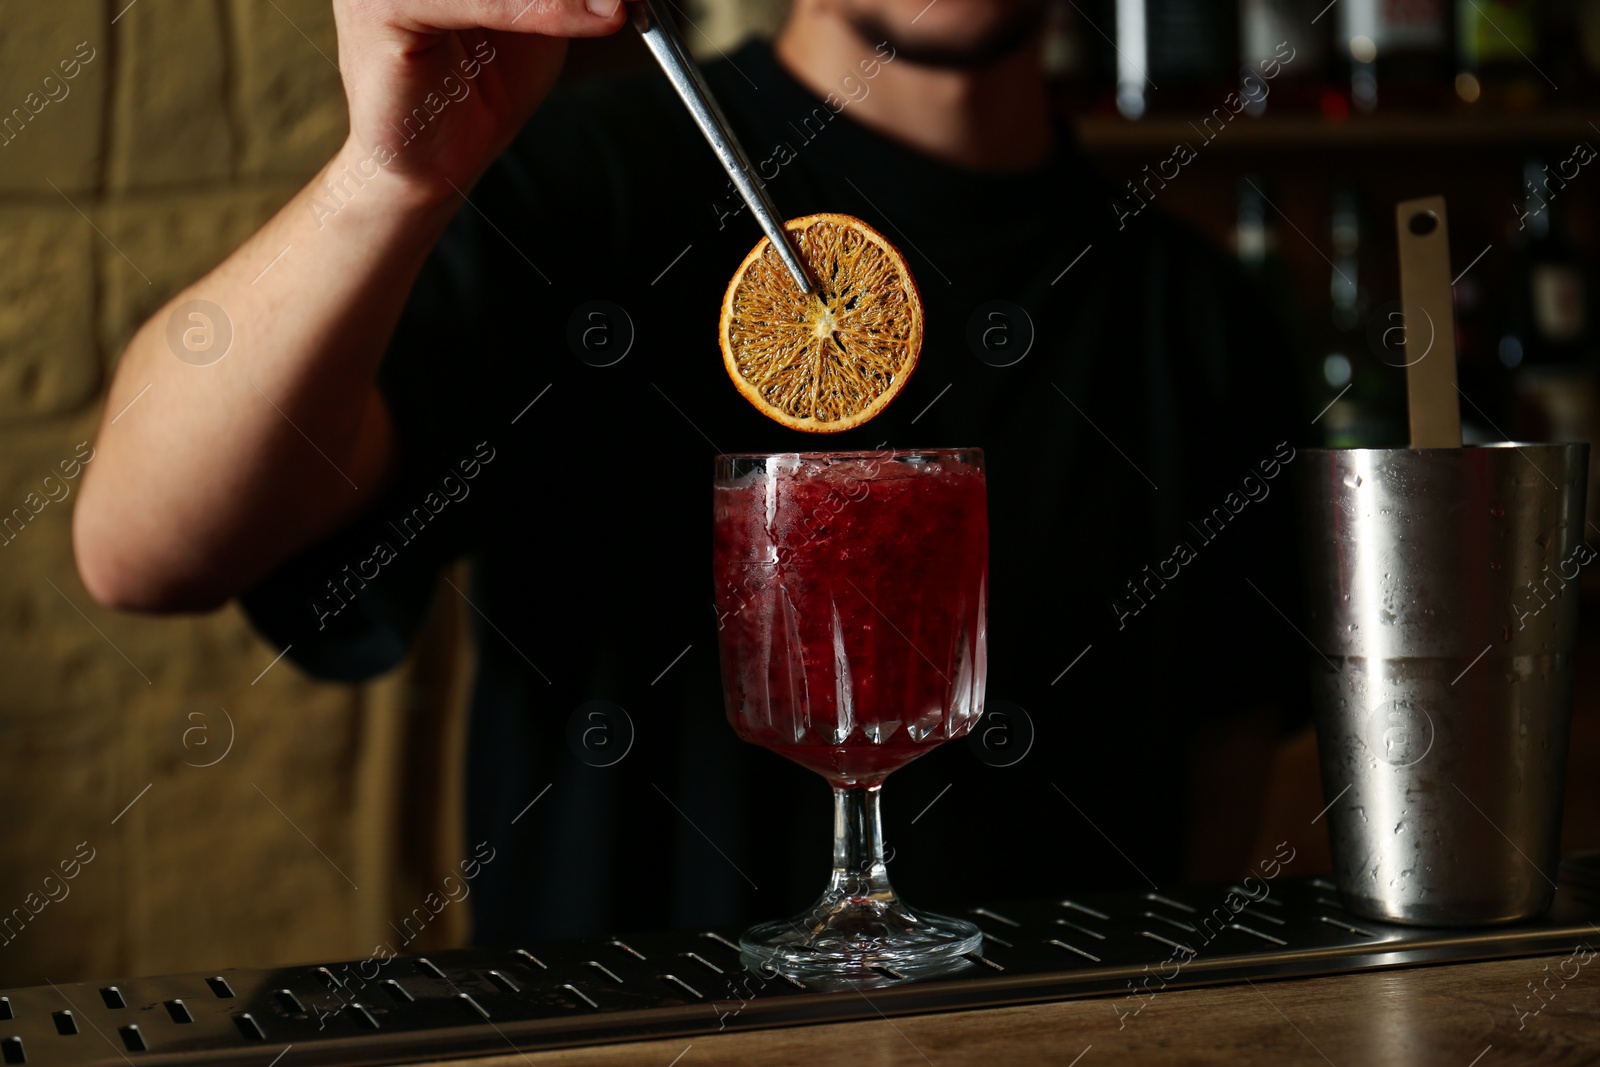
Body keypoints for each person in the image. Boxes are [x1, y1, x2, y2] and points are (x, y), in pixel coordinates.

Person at [74, 0, 1308, 944]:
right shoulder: (577, 182)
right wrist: (385, 178)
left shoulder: (1204, 313)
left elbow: (1226, 784)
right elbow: (140, 547)